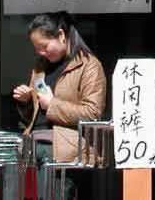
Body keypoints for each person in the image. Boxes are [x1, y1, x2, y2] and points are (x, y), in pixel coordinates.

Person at [13, 11, 106, 198]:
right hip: (33, 147)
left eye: (44, 46)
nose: (41, 53)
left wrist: (52, 105)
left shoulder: (89, 65)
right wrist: (26, 102)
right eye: (37, 49)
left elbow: (93, 113)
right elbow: (33, 116)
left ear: (61, 35)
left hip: (64, 152)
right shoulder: (40, 67)